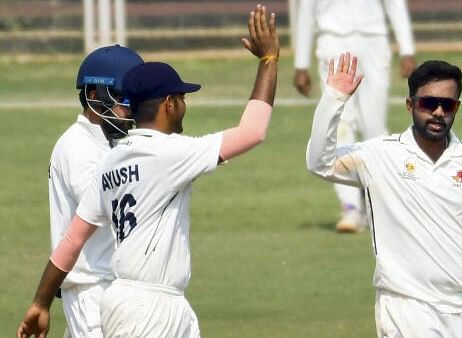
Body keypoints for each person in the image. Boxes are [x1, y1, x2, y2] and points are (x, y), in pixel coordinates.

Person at [17, 4, 278, 338]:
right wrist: (269, 61)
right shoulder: (163, 154)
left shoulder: (114, 158)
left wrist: (40, 302)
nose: (186, 105)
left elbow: (72, 239)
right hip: (124, 299)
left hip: (139, 298)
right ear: (169, 103)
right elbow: (252, 131)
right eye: (182, 98)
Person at [306, 54, 462, 337]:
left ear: (456, 108)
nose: (438, 112)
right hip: (407, 308)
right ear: (411, 105)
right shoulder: (380, 155)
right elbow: (319, 163)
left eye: (447, 105)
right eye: (428, 103)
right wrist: (334, 99)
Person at [294, 0, 417, 232]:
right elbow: (307, 11)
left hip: (373, 40)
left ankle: (380, 204)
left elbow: (395, 4)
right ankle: (350, 205)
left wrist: (407, 50)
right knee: (340, 124)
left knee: (374, 127)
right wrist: (301, 64)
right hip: (333, 41)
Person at [48, 44, 143, 338]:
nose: (130, 109)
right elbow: (104, 204)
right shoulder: (77, 145)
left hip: (115, 288)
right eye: (124, 98)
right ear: (94, 95)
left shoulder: (111, 143)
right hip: (90, 290)